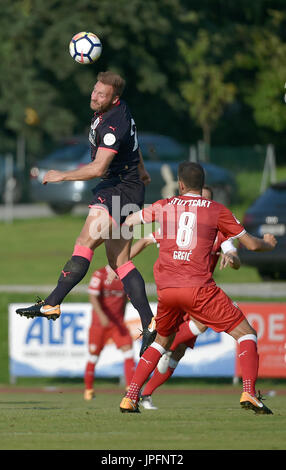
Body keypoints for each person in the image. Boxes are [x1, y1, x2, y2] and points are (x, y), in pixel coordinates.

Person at [119, 161, 277, 415]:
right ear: (202, 183)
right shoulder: (218, 210)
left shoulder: (166, 205)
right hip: (198, 288)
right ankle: (248, 390)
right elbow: (253, 245)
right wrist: (268, 243)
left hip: (167, 289)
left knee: (161, 341)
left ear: (180, 184)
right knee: (246, 334)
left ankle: (131, 396)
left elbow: (129, 222)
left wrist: (121, 262)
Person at [16, 71, 156, 356]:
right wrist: (141, 170)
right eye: (94, 91)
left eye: (101, 95)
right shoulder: (120, 108)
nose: (94, 96)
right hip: (129, 189)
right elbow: (135, 142)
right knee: (120, 262)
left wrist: (61, 176)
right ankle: (150, 322)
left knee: (84, 242)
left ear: (113, 98)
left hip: (118, 190)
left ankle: (53, 302)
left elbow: (98, 169)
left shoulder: (112, 123)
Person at [130, 185, 241, 410]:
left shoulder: (218, 231)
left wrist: (231, 256)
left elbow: (233, 252)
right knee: (192, 329)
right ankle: (160, 348)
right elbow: (144, 240)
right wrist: (120, 265)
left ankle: (145, 394)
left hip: (199, 292)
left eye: (206, 201)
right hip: (180, 291)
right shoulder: (178, 226)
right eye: (199, 199)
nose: (201, 205)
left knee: (177, 352)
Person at [84, 265, 135, 400]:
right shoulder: (99, 274)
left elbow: (125, 299)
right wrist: (101, 316)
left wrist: (122, 317)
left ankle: (130, 389)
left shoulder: (125, 275)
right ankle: (89, 390)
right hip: (99, 324)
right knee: (93, 356)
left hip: (117, 324)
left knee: (129, 351)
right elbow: (93, 297)